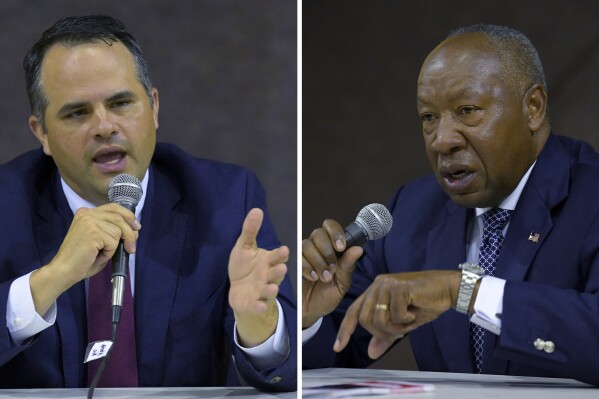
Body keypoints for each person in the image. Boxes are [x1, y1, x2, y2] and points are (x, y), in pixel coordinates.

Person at [0, 15, 296, 391]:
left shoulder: (224, 200)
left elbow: (286, 373)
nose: (105, 126)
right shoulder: (6, 203)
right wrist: (51, 279)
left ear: (153, 107)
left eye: (121, 103)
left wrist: (258, 325)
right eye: (77, 113)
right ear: (41, 131)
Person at [302, 24, 599, 386]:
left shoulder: (590, 194)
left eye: (467, 110)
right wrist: (309, 317)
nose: (442, 141)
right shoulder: (413, 211)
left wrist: (464, 290)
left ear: (533, 107)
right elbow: (327, 352)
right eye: (429, 118)